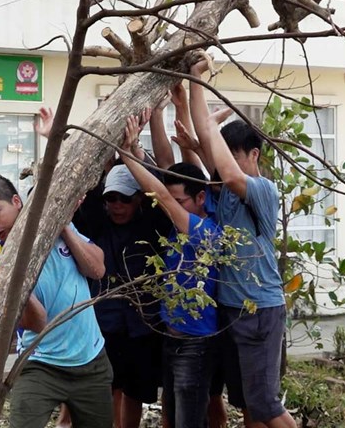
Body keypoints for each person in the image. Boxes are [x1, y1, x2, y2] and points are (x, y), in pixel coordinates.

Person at [35, 106, 169, 428]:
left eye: (124, 199)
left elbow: (159, 188)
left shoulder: (151, 225)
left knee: (135, 391)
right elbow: (77, 182)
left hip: (141, 324)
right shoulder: (97, 222)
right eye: (112, 199)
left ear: (138, 199)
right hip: (103, 323)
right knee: (103, 388)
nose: (117, 205)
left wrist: (134, 150)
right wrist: (57, 139)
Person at [188, 58, 296, 428]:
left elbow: (230, 172)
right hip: (233, 309)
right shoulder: (225, 192)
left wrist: (211, 128)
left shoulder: (263, 190)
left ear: (254, 155)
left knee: (265, 404)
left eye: (234, 157)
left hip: (260, 310)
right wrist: (194, 79)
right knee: (250, 401)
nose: (227, 166)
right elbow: (205, 136)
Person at [0, 173, 113, 428]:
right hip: (39, 365)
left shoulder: (56, 229)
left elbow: (97, 269)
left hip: (91, 361)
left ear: (16, 202)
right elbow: (37, 323)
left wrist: (64, 226)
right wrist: (15, 276)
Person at [120, 112, 220, 428]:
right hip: (171, 337)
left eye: (180, 202)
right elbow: (163, 171)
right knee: (173, 416)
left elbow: (161, 195)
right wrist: (137, 147)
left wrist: (125, 153)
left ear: (201, 198)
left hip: (196, 343)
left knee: (189, 420)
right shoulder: (182, 226)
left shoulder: (205, 231)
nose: (172, 208)